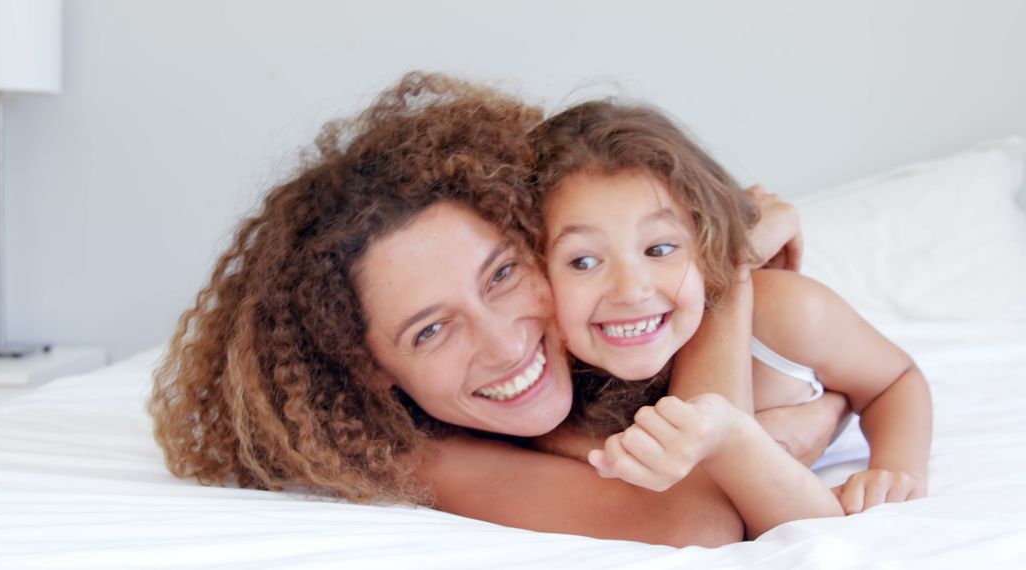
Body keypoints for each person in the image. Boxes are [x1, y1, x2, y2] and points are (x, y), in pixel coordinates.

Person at [149, 72, 846, 545]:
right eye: (430, 329)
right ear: (370, 368)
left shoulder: (607, 320)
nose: (503, 344)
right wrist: (727, 275)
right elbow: (703, 518)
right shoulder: (426, 455)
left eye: (503, 274)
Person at [529, 99, 933, 515]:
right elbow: (700, 505)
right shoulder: (543, 392)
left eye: (660, 248)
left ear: (707, 244)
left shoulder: (784, 313)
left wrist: (896, 468)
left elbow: (895, 379)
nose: (631, 291)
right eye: (584, 261)